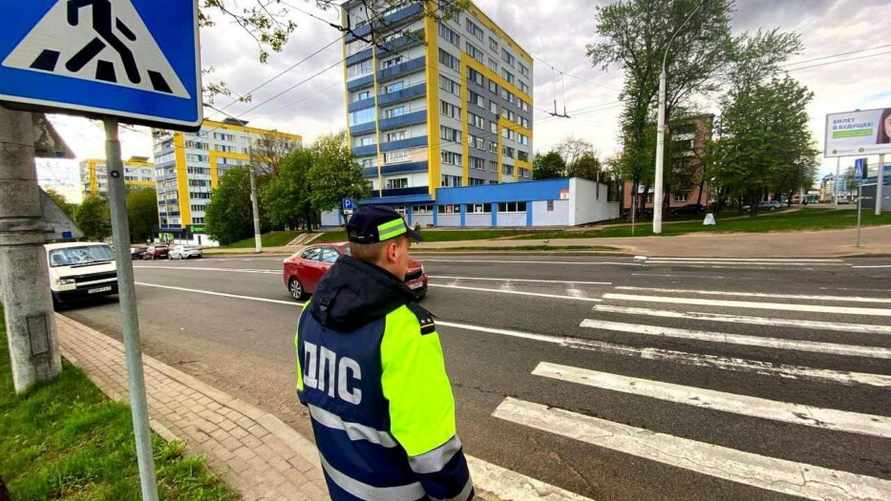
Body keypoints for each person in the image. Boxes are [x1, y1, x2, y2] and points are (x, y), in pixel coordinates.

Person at [295, 205, 473, 500]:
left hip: (341, 488)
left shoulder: (309, 313)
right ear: (393, 251)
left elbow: (308, 396)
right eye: (407, 247)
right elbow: (434, 450)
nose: (409, 256)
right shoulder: (406, 328)